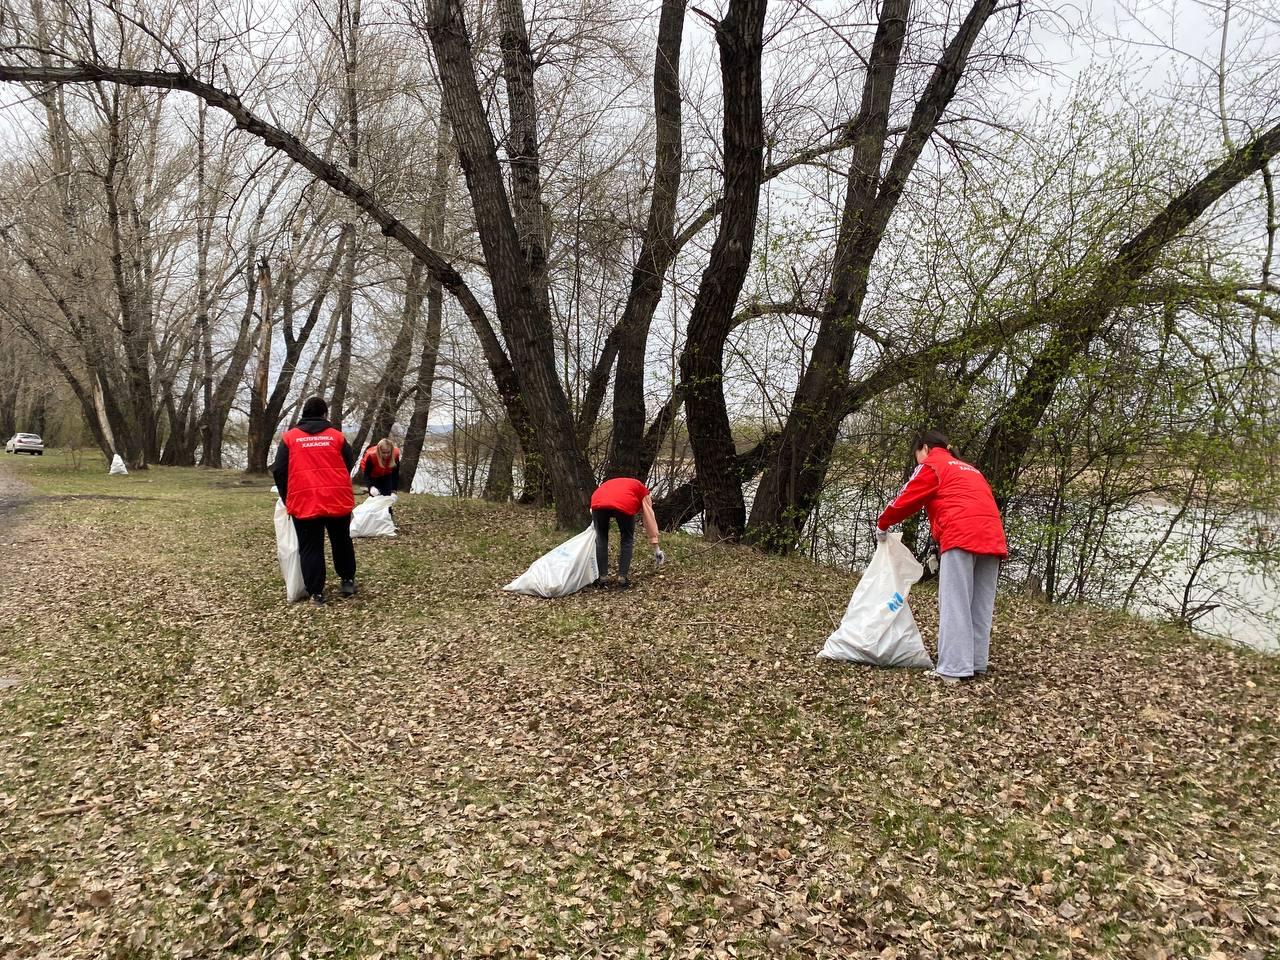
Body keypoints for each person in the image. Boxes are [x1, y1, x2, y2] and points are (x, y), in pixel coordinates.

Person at [875, 429, 1007, 683]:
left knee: (955, 601)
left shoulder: (933, 465)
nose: (917, 462)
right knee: (980, 604)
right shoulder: (969, 469)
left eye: (917, 456)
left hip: (961, 536)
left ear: (924, 448)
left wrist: (883, 525)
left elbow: (907, 498)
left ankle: (952, 668)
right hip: (992, 537)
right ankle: (976, 662)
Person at [271, 396, 358, 605]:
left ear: (304, 413)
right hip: (336, 498)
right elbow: (348, 462)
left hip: (304, 500)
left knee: (310, 547)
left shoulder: (290, 438)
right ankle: (347, 580)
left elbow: (279, 470)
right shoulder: (336, 437)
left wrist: (287, 497)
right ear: (324, 414)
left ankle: (316, 592)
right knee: (341, 540)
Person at [589, 476, 665, 589]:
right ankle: (622, 579)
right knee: (627, 539)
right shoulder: (644, 492)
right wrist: (656, 548)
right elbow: (649, 519)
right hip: (624, 502)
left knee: (601, 538)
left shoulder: (611, 483)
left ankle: (602, 579)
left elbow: (593, 510)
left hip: (597, 501)